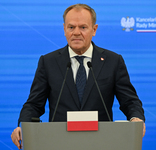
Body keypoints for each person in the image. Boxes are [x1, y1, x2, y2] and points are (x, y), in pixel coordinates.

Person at [11, 4, 146, 149]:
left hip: (102, 143)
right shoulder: (48, 62)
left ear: (94, 29)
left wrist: (136, 119)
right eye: (71, 27)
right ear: (64, 29)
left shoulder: (113, 61)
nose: (76, 32)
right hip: (59, 143)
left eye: (83, 27)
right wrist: (22, 127)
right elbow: (34, 104)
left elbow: (130, 101)